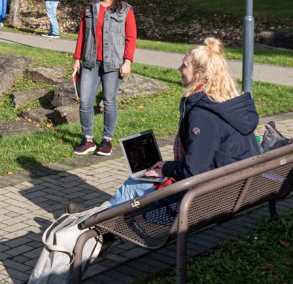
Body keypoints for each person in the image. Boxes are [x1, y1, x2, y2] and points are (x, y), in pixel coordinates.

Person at [104, 37, 260, 208]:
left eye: (185, 65)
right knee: (145, 181)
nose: (179, 69)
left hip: (213, 197)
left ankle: (93, 228)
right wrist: (168, 167)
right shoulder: (229, 103)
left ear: (200, 74)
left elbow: (194, 170)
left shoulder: (203, 113)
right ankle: (93, 217)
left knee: (134, 185)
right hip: (241, 187)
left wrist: (166, 169)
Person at [72, 0, 136, 157]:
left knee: (109, 102)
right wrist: (77, 59)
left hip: (113, 63)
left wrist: (127, 62)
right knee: (85, 101)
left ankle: (106, 140)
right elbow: (82, 35)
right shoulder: (90, 8)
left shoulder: (126, 10)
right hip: (90, 62)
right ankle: (88, 139)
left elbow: (131, 38)